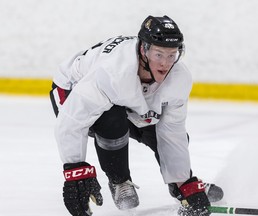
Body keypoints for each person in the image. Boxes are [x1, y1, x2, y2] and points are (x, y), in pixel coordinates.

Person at [50, 15, 223, 216]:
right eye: (159, 55)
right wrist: (75, 172)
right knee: (112, 121)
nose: (165, 64)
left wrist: (184, 182)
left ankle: (177, 186)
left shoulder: (179, 78)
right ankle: (119, 180)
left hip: (124, 94)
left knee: (161, 130)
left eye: (171, 55)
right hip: (72, 88)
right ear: (144, 49)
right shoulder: (113, 72)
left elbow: (171, 132)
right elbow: (72, 121)